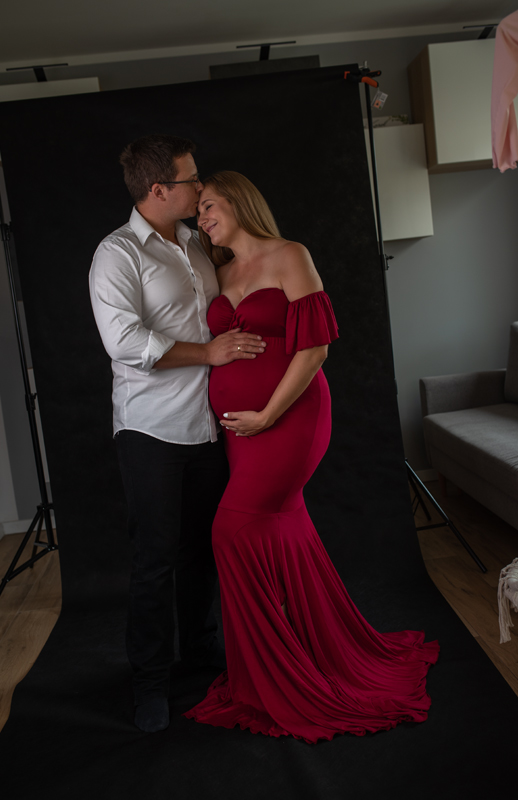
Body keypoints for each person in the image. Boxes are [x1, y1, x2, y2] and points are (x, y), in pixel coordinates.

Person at [184, 171, 440, 743]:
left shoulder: (289, 255)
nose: (202, 219)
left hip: (289, 418)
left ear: (239, 201)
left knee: (232, 531)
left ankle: (274, 679)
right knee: (282, 527)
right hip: (239, 432)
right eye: (198, 212)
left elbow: (315, 347)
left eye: (209, 206)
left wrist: (267, 414)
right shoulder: (218, 273)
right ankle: (318, 650)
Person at [89, 137, 267, 734]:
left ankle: (200, 650)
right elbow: (124, 343)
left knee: (202, 551)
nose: (200, 187)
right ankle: (150, 682)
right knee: (155, 560)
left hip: (209, 428)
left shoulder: (197, 243)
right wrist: (209, 353)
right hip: (151, 430)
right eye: (191, 180)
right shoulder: (116, 254)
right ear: (159, 189)